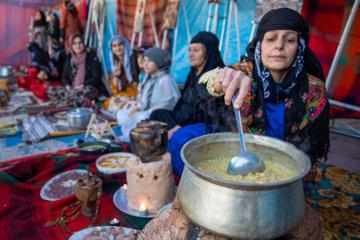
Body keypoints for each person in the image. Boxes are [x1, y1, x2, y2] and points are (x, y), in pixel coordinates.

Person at [200, 8, 330, 165]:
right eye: (271, 39)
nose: (279, 45)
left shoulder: (314, 90)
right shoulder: (242, 74)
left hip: (287, 166)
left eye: (289, 40)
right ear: (260, 44)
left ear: (300, 47)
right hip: (238, 160)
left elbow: (313, 144)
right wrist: (218, 81)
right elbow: (200, 90)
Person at [150, 31, 234, 139]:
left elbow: (207, 112)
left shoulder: (216, 77)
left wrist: (179, 126)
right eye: (190, 50)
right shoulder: (192, 74)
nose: (190, 55)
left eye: (196, 50)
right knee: (156, 115)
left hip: (200, 123)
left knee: (179, 135)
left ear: (208, 52)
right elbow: (182, 101)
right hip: (183, 117)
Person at [116, 47, 181, 142]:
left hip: (157, 115)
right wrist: (138, 108)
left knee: (141, 117)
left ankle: (129, 136)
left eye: (149, 61)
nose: (145, 64)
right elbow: (144, 100)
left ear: (158, 61)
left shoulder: (165, 80)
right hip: (145, 111)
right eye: (144, 60)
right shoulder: (148, 79)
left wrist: (146, 111)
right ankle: (131, 131)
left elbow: (166, 105)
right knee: (121, 114)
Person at [47, 34, 108, 107]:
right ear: (71, 46)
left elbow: (96, 77)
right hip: (73, 89)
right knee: (51, 90)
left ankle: (69, 101)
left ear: (83, 44)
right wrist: (67, 86)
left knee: (85, 92)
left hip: (87, 87)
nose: (77, 46)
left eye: (80, 43)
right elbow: (64, 76)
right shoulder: (69, 58)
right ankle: (74, 101)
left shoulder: (91, 57)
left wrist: (82, 85)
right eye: (74, 43)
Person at [102, 35, 139, 110]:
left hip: (137, 92)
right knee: (112, 102)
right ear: (111, 49)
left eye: (120, 44)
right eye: (114, 46)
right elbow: (115, 90)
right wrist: (117, 75)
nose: (118, 48)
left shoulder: (134, 59)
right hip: (124, 94)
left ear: (125, 45)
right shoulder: (115, 64)